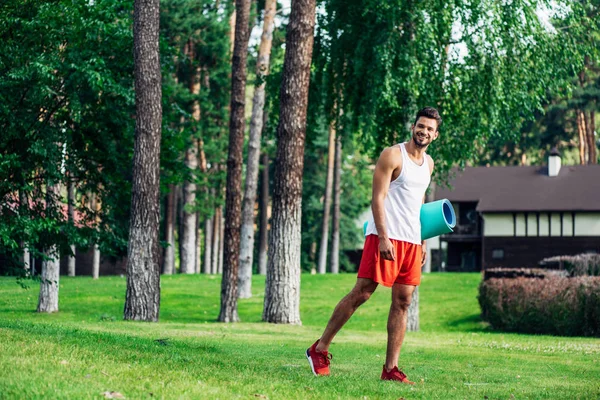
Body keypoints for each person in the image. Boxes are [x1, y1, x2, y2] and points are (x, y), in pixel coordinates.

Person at [306, 107, 441, 384]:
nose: (423, 131)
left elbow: (419, 204)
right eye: (420, 126)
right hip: (384, 237)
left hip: (412, 242)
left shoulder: (429, 164)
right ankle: (319, 349)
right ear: (412, 127)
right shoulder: (392, 155)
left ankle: (390, 369)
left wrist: (424, 240)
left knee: (403, 301)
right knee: (363, 293)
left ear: (435, 135)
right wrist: (382, 237)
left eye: (429, 129)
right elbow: (377, 199)